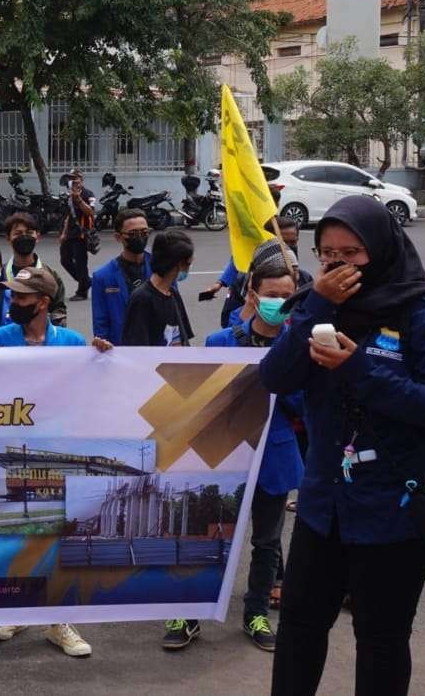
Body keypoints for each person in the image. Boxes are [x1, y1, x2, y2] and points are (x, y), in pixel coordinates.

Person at [261, 195, 425, 696]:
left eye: (351, 253)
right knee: (299, 629)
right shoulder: (315, 307)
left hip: (392, 512)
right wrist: (318, 304)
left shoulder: (424, 311)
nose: (337, 264)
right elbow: (274, 376)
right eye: (326, 253)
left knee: (380, 639)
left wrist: (359, 369)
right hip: (322, 509)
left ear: (379, 250)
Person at [0, 267, 105, 657]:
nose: (13, 304)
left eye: (21, 298)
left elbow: (94, 388)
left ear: (43, 303)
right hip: (9, 450)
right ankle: (20, 607)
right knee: (16, 534)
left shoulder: (73, 342)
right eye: (12, 297)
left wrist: (105, 360)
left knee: (56, 536)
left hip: (58, 450)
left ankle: (58, 621)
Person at [176, 259, 304, 654]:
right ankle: (188, 614)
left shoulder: (300, 342)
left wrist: (279, 381)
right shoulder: (220, 342)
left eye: (287, 297)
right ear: (252, 294)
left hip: (274, 456)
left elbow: (305, 405)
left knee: (267, 543)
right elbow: (201, 399)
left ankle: (255, 613)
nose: (278, 303)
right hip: (224, 455)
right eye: (271, 295)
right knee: (205, 539)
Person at [204, 214, 307, 328]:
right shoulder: (244, 282)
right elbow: (228, 328)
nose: (287, 248)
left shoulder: (305, 280)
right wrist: (249, 306)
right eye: (271, 295)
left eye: (292, 243)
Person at [122, 229, 194, 348]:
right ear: (180, 264)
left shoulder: (172, 293)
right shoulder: (141, 299)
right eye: (189, 263)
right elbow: (137, 349)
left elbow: (181, 339)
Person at [90, 209, 152, 345]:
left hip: (157, 348)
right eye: (133, 233)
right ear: (118, 237)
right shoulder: (103, 276)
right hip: (121, 350)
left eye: (144, 232)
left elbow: (174, 313)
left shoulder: (161, 268)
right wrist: (104, 348)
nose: (140, 237)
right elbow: (100, 321)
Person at [2, 213, 68, 326]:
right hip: (6, 340)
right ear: (8, 238)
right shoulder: (0, 274)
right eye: (18, 233)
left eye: (29, 233)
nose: (24, 237)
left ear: (37, 237)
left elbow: (59, 312)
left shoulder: (51, 275)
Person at [58, 170, 95, 301]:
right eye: (71, 178)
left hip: (82, 234)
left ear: (82, 179)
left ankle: (82, 291)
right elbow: (68, 215)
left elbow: (90, 212)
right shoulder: (69, 195)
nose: (74, 181)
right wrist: (64, 233)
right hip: (70, 234)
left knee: (80, 263)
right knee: (65, 260)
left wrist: (78, 199)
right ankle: (85, 281)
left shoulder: (88, 194)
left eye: (76, 178)